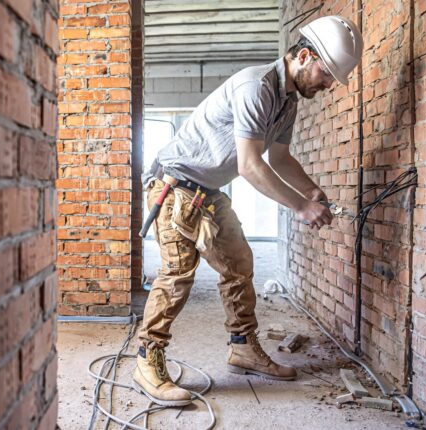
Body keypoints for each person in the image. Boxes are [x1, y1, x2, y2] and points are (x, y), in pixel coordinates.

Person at [133, 16, 364, 406]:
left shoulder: (287, 100)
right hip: (175, 184)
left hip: (206, 190)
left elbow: (280, 157)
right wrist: (301, 208)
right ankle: (147, 359)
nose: (328, 86)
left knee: (238, 263)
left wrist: (310, 189)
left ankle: (242, 347)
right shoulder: (256, 87)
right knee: (177, 273)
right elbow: (250, 166)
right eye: (326, 75)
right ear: (304, 56)